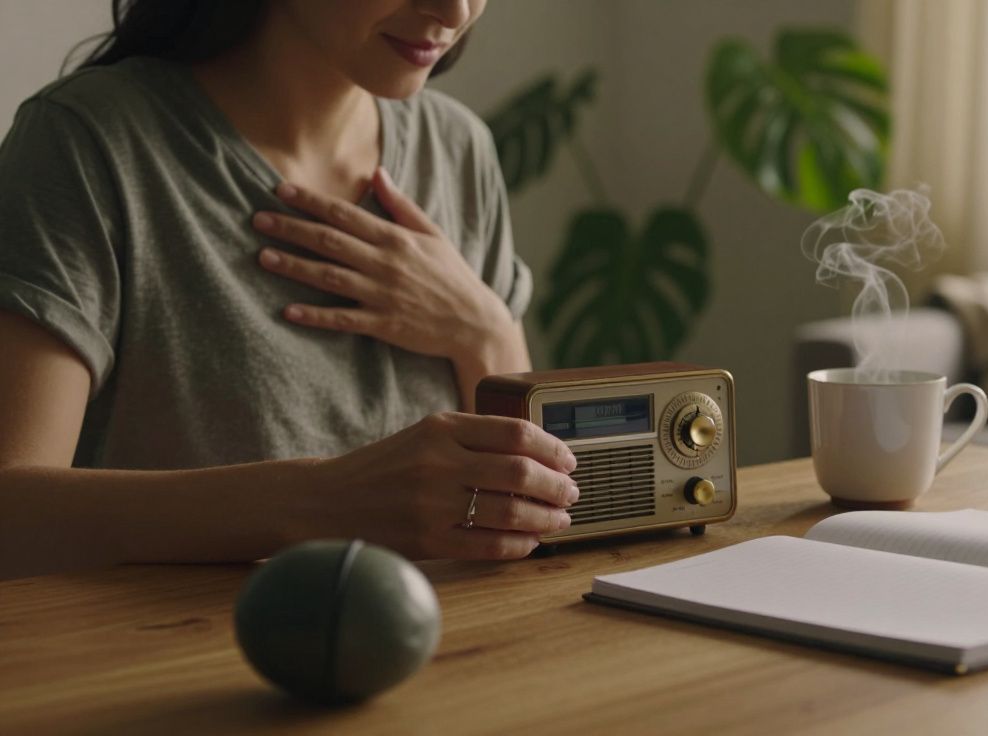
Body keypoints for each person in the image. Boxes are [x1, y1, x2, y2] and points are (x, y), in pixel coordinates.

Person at [0, 0, 579, 580]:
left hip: (468, 653)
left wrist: (482, 329)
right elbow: (13, 515)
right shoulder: (88, 141)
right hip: (175, 661)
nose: (454, 11)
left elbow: (534, 500)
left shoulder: (457, 149)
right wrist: (324, 501)